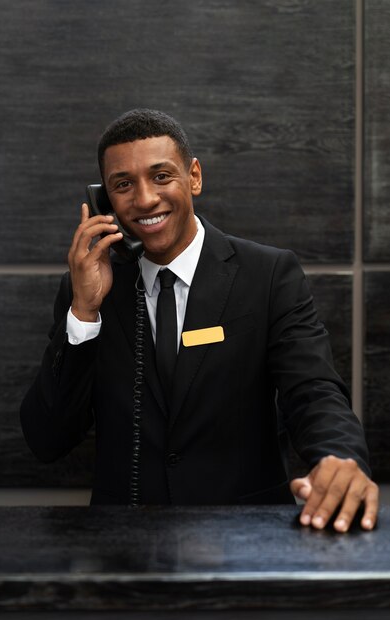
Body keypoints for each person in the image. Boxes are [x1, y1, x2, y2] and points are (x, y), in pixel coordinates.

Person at [20, 108, 379, 532]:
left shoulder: (268, 275)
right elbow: (47, 440)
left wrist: (341, 457)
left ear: (194, 177)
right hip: (125, 549)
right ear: (105, 200)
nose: (145, 199)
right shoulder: (87, 290)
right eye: (123, 185)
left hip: (244, 542)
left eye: (161, 176)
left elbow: (314, 391)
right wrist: (84, 313)